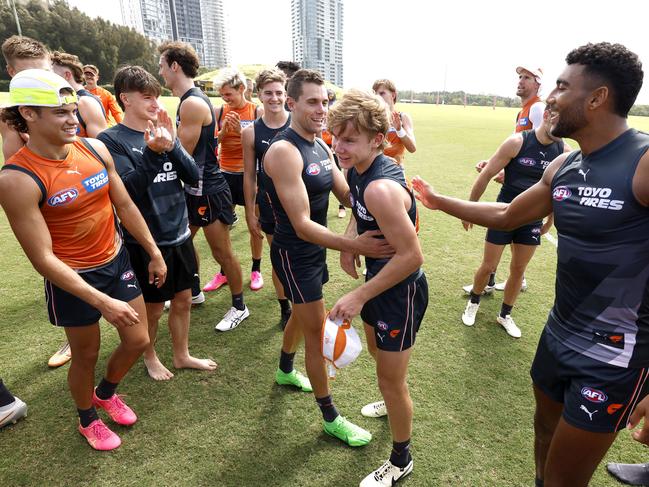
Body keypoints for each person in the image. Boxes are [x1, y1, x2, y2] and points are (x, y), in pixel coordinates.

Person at [412, 42, 649, 487]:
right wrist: (441, 202)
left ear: (597, 98)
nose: (551, 98)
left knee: (564, 478)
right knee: (542, 435)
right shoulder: (563, 164)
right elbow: (507, 215)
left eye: (561, 86)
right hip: (558, 333)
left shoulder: (643, 161)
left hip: (615, 358)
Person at [0, 69, 167, 450]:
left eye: (73, 109)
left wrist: (154, 252)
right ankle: (87, 418)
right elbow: (42, 258)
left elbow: (123, 204)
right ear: (27, 113)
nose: (72, 119)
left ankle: (105, 394)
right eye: (60, 112)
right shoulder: (17, 179)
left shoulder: (94, 148)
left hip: (117, 260)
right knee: (86, 354)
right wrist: (102, 301)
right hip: (72, 278)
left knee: (138, 339)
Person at [262, 69, 393, 447]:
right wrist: (354, 245)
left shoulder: (320, 145)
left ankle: (285, 368)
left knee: (306, 318)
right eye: (313, 102)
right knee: (318, 333)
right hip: (294, 253)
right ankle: (330, 416)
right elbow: (302, 224)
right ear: (292, 104)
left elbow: (346, 193)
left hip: (315, 250)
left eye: (326, 101)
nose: (322, 109)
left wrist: (386, 207)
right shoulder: (285, 151)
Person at [327, 89, 428, 486]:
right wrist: (351, 244)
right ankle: (392, 399)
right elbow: (359, 211)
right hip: (379, 279)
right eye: (336, 136)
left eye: (349, 139)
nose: (339, 146)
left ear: (377, 139)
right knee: (379, 358)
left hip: (398, 289)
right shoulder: (357, 169)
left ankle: (401, 459)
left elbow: (412, 256)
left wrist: (358, 295)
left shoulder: (380, 187)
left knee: (391, 378)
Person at [98, 65, 217, 380]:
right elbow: (128, 192)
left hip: (179, 234)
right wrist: (152, 152)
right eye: (147, 98)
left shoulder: (164, 132)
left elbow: (193, 176)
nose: (156, 104)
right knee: (151, 308)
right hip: (145, 242)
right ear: (126, 99)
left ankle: (181, 354)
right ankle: (149, 356)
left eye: (157, 97)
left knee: (182, 299)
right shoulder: (111, 140)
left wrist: (173, 145)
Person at [158, 41, 249, 331]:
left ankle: (239, 307)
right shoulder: (187, 101)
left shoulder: (193, 103)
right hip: (191, 188)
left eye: (162, 65)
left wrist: (159, 143)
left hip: (208, 189)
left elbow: (180, 152)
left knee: (221, 253)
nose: (160, 71)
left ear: (175, 66)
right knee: (184, 245)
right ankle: (194, 292)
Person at [460, 107, 568, 338]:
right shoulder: (516, 142)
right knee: (488, 266)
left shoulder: (564, 151)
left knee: (518, 270)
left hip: (532, 221)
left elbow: (560, 191)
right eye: (560, 122)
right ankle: (474, 302)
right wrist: (470, 209)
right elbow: (486, 174)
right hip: (503, 215)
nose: (563, 130)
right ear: (548, 115)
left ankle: (505, 315)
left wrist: (550, 221)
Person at [0, 35, 72, 369]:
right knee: (57, 265)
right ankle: (73, 335)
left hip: (83, 191)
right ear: (11, 73)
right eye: (26, 76)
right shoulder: (9, 116)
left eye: (43, 73)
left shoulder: (69, 101)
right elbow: (14, 164)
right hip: (47, 205)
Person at [468, 65, 546, 295]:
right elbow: (524, 151)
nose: (521, 81)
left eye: (527, 78)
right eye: (520, 77)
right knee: (510, 234)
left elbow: (544, 149)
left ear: (537, 84)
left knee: (514, 233)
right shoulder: (523, 111)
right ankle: (495, 280)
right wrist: (503, 170)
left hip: (529, 193)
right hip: (517, 188)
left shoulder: (538, 109)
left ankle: (511, 280)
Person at [203, 68, 264, 293]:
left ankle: (256, 269)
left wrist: (241, 133)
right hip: (224, 175)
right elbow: (210, 146)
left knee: (254, 225)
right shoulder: (219, 111)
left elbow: (262, 147)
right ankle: (224, 271)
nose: (225, 99)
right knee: (222, 228)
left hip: (249, 175)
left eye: (229, 94)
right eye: (223, 95)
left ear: (242, 89)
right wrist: (223, 134)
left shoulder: (257, 111)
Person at [241, 68, 292, 328]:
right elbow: (250, 175)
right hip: (270, 205)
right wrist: (250, 212)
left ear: (286, 94)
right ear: (258, 95)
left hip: (300, 202)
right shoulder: (251, 132)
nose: (275, 98)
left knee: (303, 255)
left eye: (279, 92)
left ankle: (305, 300)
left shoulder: (298, 123)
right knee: (279, 256)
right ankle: (286, 308)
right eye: (268, 93)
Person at [51, 51, 107, 138]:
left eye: (53, 75)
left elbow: (100, 142)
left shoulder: (86, 102)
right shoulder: (75, 99)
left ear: (67, 75)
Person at [372, 79, 416, 167]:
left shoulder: (403, 117)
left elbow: (412, 148)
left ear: (393, 95)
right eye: (375, 95)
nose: (378, 97)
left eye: (382, 93)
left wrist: (399, 130)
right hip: (375, 171)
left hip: (396, 172)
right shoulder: (372, 118)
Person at [321, 88, 346, 219]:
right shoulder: (318, 115)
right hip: (321, 148)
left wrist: (334, 146)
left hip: (334, 149)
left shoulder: (337, 118)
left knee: (339, 177)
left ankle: (342, 207)